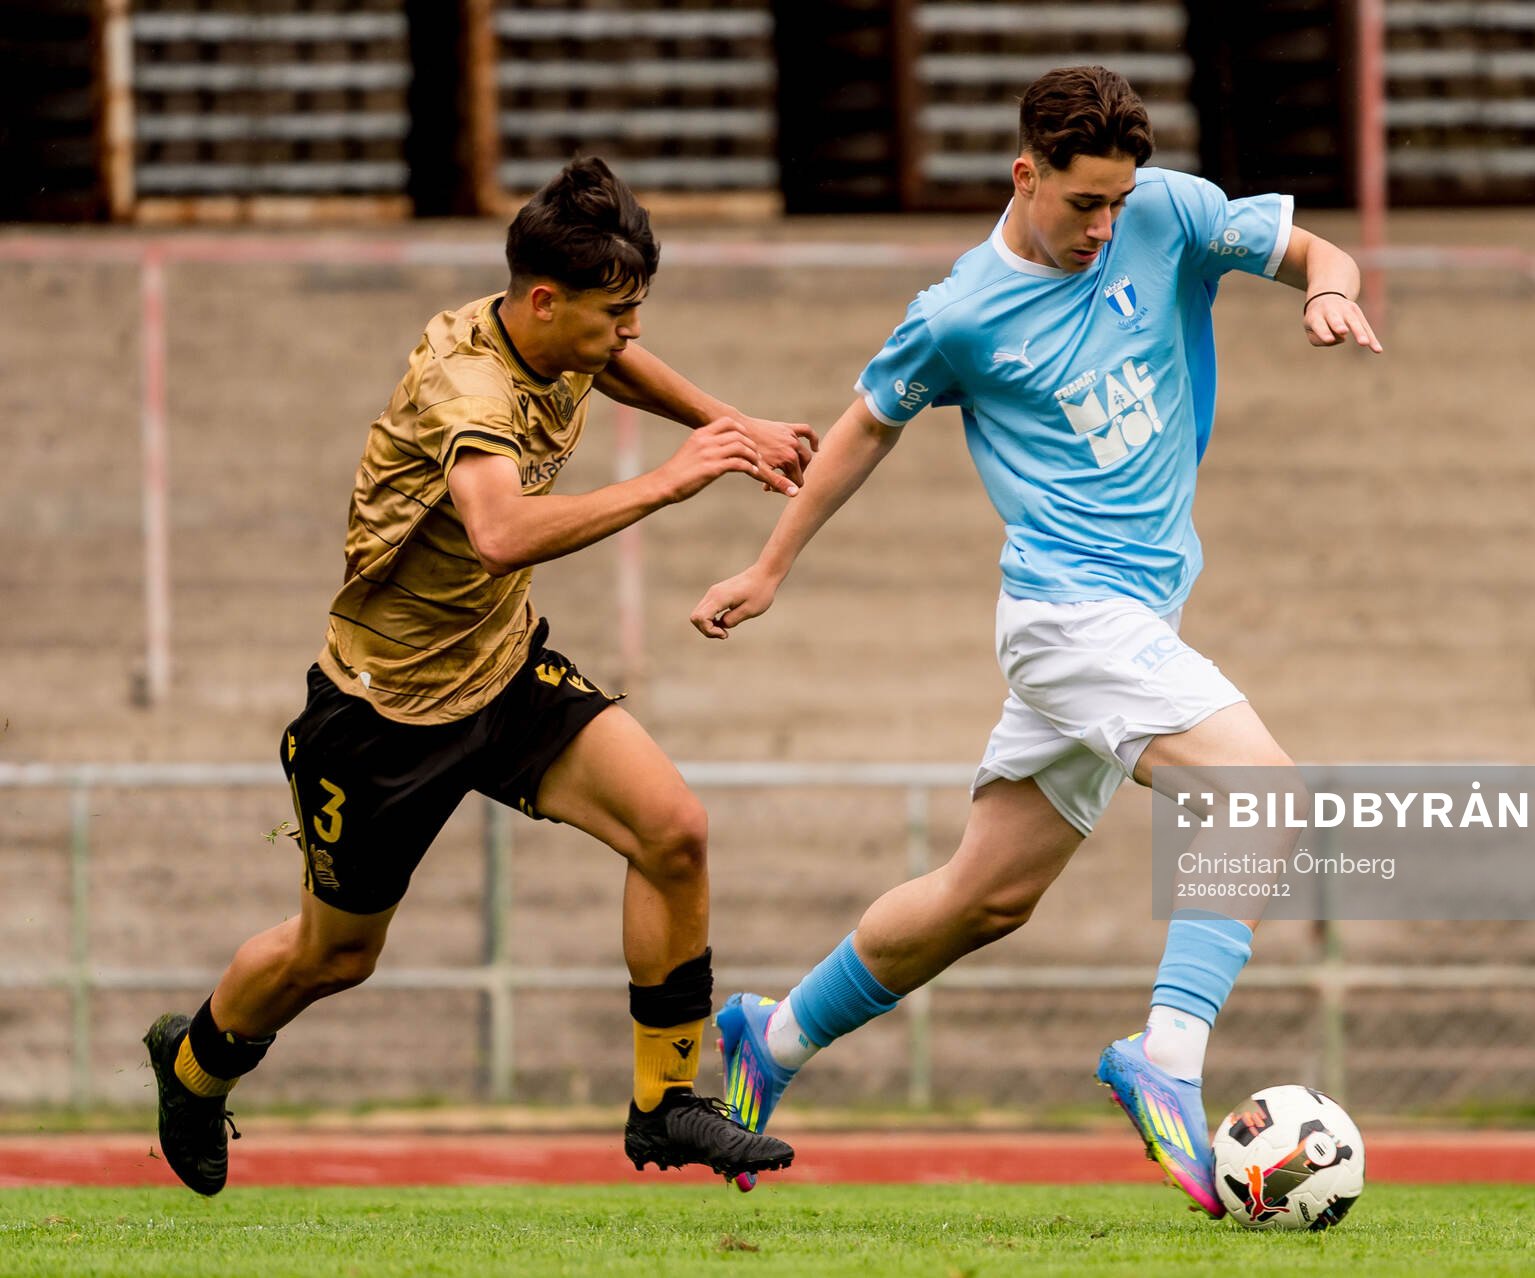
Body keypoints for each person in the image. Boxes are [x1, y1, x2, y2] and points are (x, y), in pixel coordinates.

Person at [690, 66, 1382, 1213]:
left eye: (1118, 201)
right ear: (1027, 175)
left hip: (1136, 616)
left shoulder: (1164, 214)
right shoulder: (963, 310)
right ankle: (1165, 1057)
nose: (1105, 227)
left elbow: (1318, 253)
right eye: (1083, 204)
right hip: (1069, 619)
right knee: (1262, 795)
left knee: (984, 897)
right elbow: (868, 425)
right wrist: (770, 566)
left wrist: (1328, 292)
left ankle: (773, 1037)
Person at [143, 157, 813, 1196]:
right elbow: (499, 533)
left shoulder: (550, 330)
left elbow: (610, 364)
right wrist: (675, 479)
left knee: (673, 829)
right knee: (332, 959)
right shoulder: (468, 381)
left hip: (498, 673)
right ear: (546, 302)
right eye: (615, 314)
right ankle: (193, 1068)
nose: (629, 335)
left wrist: (729, 425)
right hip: (382, 714)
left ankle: (664, 1104)